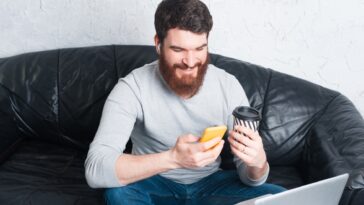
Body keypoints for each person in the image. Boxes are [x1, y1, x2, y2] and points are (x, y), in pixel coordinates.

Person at [85, 0, 286, 204]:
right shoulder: (132, 88)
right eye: (178, 50)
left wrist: (258, 163)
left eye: (199, 48)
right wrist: (172, 158)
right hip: (152, 183)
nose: (190, 62)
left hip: (211, 184)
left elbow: (249, 178)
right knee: (118, 195)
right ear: (158, 44)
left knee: (279, 197)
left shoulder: (228, 86)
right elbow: (96, 169)